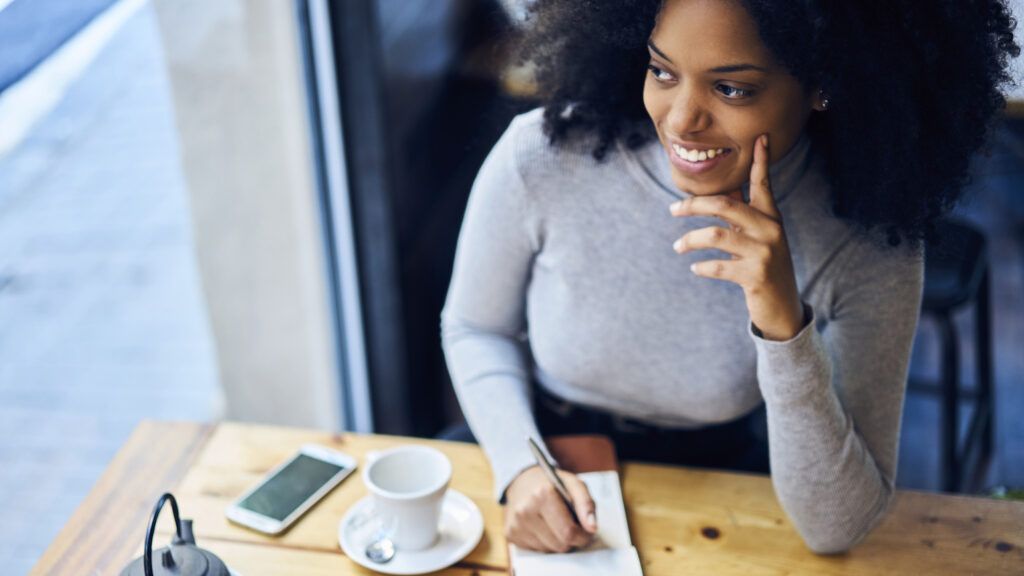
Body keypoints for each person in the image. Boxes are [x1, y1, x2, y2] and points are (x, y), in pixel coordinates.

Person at [440, 0, 1019, 555]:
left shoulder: (868, 240)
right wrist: (520, 466)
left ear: (824, 81)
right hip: (533, 445)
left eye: (731, 88)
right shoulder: (543, 157)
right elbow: (473, 327)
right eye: (662, 71)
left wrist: (783, 323)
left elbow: (837, 528)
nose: (683, 120)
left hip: (718, 476)